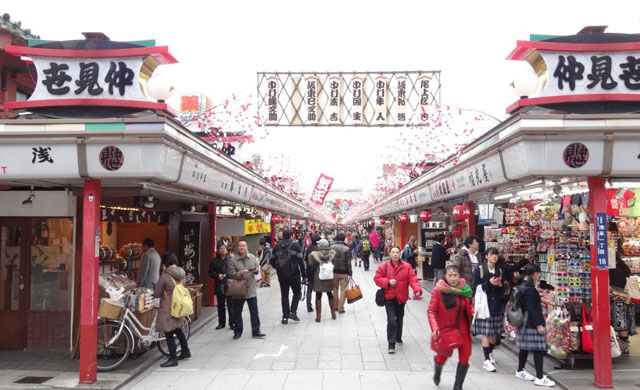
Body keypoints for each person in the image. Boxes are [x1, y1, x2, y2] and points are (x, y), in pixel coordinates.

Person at [428, 265, 473, 390]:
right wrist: (434, 327)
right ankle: (437, 370)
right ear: (445, 276)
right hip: (447, 329)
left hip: (463, 329)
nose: (453, 278)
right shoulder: (439, 290)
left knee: (465, 357)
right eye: (450, 275)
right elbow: (431, 311)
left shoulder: (464, 289)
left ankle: (458, 386)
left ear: (459, 276)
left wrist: (474, 311)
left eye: (455, 275)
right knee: (442, 356)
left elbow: (468, 307)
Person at [374, 246, 423, 354]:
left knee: (399, 318)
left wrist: (417, 290)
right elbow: (377, 279)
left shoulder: (407, 267)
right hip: (389, 297)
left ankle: (398, 337)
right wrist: (387, 282)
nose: (395, 254)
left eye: (397, 252)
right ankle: (391, 344)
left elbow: (413, 279)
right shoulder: (384, 266)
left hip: (401, 297)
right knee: (391, 320)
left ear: (400, 254)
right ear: (390, 254)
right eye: (393, 252)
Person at [515, 264, 555, 387]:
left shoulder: (524, 285)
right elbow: (532, 308)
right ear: (535, 273)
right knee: (539, 348)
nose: (538, 276)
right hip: (531, 323)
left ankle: (520, 370)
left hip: (524, 322)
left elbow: (531, 301)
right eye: (538, 273)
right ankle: (539, 377)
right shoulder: (529, 288)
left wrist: (544, 300)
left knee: (524, 347)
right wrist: (539, 325)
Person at [471, 247, 508, 372]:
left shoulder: (500, 271)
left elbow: (504, 289)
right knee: (486, 332)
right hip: (485, 305)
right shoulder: (479, 270)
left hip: (496, 304)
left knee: (494, 333)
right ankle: (486, 360)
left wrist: (501, 285)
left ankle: (490, 352)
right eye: (492, 254)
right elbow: (475, 287)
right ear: (486, 256)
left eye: (496, 255)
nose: (494, 257)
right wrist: (489, 284)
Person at [154, 252, 190, 367]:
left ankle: (173, 358)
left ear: (165, 263)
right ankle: (185, 351)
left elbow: (157, 293)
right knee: (178, 329)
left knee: (168, 331)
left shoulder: (165, 276)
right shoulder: (181, 274)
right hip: (179, 305)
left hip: (168, 306)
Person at [228, 240, 266, 340]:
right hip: (239, 289)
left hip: (251, 288)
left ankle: (256, 331)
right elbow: (230, 273)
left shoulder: (252, 257)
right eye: (240, 246)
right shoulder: (233, 260)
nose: (242, 248)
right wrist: (241, 273)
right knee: (237, 312)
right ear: (237, 247)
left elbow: (257, 269)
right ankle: (238, 331)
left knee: (254, 311)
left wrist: (256, 271)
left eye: (244, 246)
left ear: (247, 247)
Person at [270, 228, 306, 324]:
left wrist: (278, 268)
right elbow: (301, 261)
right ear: (291, 236)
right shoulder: (295, 246)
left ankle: (285, 317)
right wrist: (304, 274)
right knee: (297, 293)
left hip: (282, 275)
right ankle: (293, 312)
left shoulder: (277, 246)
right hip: (294, 274)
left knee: (284, 295)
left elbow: (271, 260)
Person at [208, 242, 235, 330]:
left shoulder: (231, 260)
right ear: (218, 250)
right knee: (221, 305)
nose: (223, 250)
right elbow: (210, 273)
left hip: (230, 284)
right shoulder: (214, 261)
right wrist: (217, 276)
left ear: (227, 250)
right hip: (219, 284)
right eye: (221, 248)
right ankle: (221, 323)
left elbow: (235, 271)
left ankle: (232, 322)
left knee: (231, 304)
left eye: (224, 248)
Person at [309, 239, 337, 322]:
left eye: (319, 244)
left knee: (318, 294)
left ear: (320, 245)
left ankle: (318, 316)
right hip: (329, 276)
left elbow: (311, 264)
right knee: (329, 293)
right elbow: (334, 263)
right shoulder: (332, 253)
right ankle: (333, 313)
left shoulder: (315, 254)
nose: (318, 245)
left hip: (319, 276)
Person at [610, 253, 632, 354]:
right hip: (623, 299)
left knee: (618, 321)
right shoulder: (623, 269)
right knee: (621, 321)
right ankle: (624, 345)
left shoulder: (612, 271)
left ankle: (621, 345)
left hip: (614, 299)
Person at [331, 232, 353, 314]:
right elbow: (348, 262)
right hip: (344, 273)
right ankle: (341, 308)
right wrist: (350, 273)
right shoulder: (346, 248)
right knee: (344, 290)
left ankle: (335, 306)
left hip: (333, 272)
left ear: (336, 239)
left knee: (334, 289)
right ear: (344, 239)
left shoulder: (331, 248)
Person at [304, 233, 321, 312]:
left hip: (309, 270)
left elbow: (305, 260)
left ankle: (308, 306)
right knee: (318, 289)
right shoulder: (319, 249)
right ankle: (318, 304)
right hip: (318, 271)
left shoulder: (308, 249)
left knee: (309, 289)